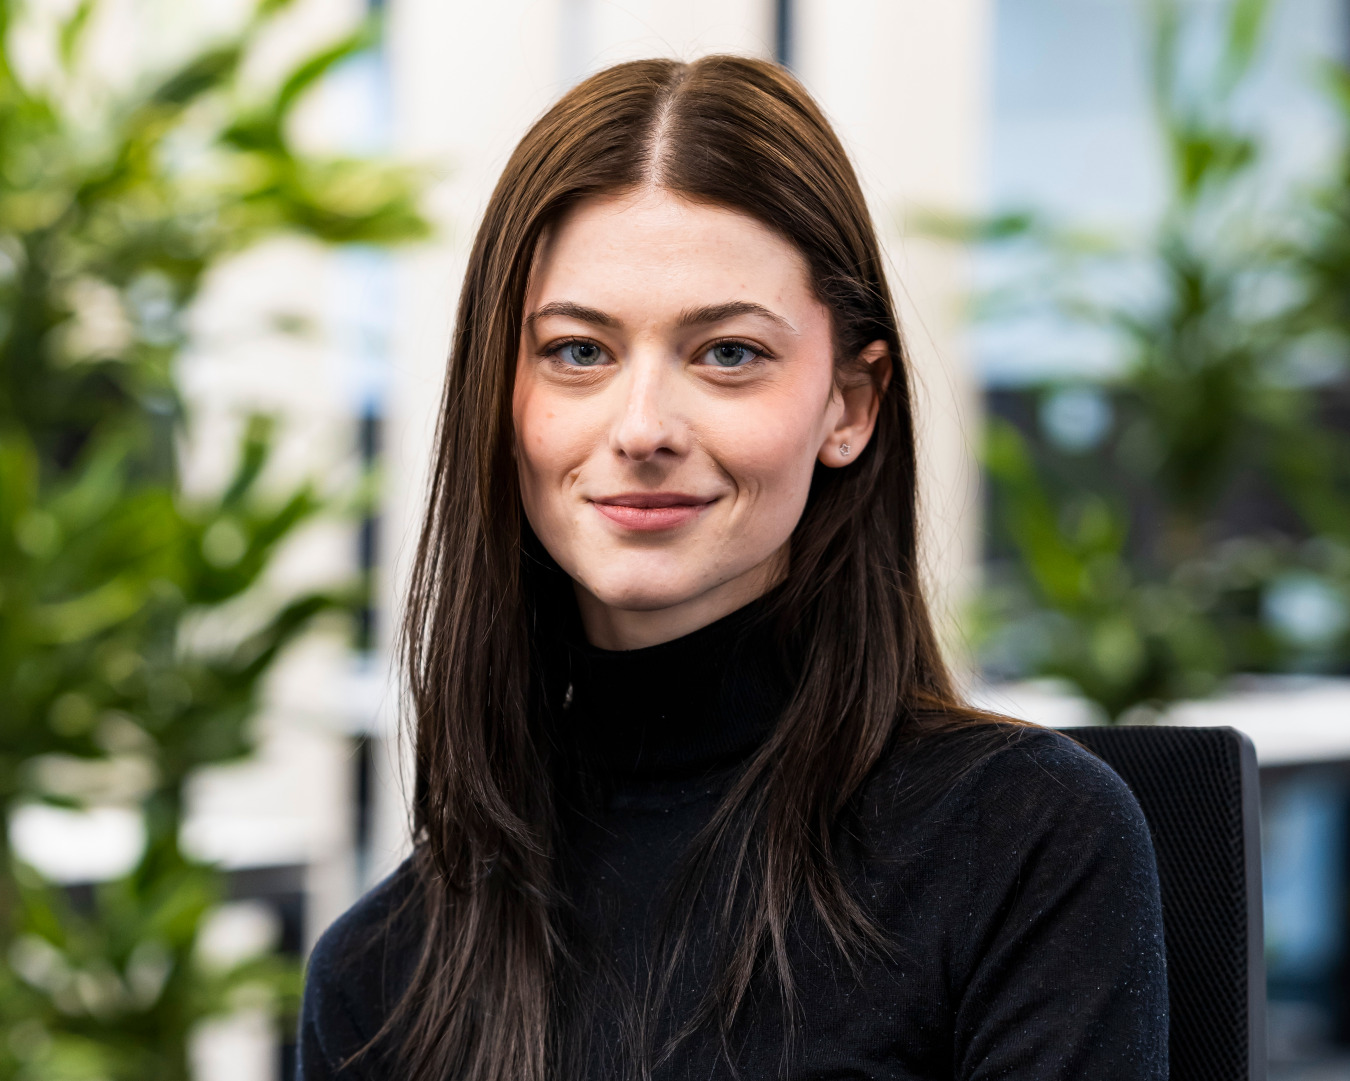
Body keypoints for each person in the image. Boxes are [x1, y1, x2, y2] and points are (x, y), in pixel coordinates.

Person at [296, 55, 1167, 1081]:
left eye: (729, 354)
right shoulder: (383, 974)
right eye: (579, 351)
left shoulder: (1021, 843)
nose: (644, 427)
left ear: (849, 403)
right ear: (503, 393)